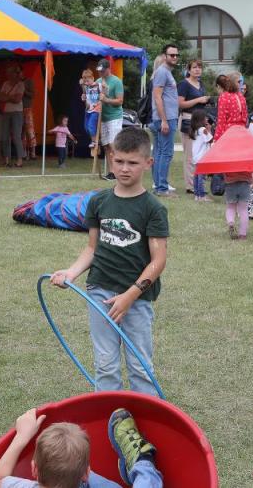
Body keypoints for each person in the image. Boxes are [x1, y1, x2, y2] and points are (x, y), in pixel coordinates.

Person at [51, 129, 169, 395]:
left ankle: (146, 421)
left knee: (140, 366)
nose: (125, 169)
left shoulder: (153, 208)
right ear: (111, 159)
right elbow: (92, 248)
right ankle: (111, 417)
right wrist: (71, 272)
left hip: (136, 299)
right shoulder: (99, 202)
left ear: (148, 164)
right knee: (105, 364)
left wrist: (129, 296)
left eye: (133, 163)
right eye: (119, 161)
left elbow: (158, 260)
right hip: (100, 292)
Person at [0, 408, 163, 488]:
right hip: (82, 481)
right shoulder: (85, 475)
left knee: (71, 470)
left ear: (34, 469)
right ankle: (143, 462)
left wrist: (21, 437)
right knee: (146, 480)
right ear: (87, 472)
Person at [150, 44, 180, 197]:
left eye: (176, 55)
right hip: (166, 118)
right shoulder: (162, 72)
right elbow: (157, 97)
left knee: (160, 152)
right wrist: (164, 120)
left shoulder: (166, 72)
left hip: (167, 117)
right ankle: (162, 188)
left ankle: (159, 185)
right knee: (166, 153)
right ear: (164, 56)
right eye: (171, 55)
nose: (174, 57)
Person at [177, 59, 210, 191]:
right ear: (189, 70)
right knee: (190, 155)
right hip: (188, 119)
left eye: (199, 67)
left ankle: (198, 184)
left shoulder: (201, 84)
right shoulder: (184, 84)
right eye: (195, 67)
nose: (197, 70)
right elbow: (180, 104)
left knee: (200, 153)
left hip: (200, 120)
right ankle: (190, 186)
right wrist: (199, 99)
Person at [97, 59, 124, 180]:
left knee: (114, 145)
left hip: (114, 117)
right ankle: (111, 172)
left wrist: (106, 100)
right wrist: (85, 97)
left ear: (108, 69)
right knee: (106, 146)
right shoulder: (98, 81)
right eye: (99, 71)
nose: (101, 73)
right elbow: (93, 99)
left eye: (103, 70)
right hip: (103, 118)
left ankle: (120, 171)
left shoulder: (116, 81)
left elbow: (120, 101)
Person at [0, 64, 26, 168]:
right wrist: (10, 97)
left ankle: (20, 160)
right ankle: (7, 159)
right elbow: (0, 97)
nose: (8, 75)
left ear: (15, 74)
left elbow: (17, 99)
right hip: (6, 112)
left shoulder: (21, 84)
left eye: (10, 73)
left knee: (16, 136)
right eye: (7, 73)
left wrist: (6, 97)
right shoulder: (5, 83)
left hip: (17, 112)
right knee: (5, 136)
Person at [185, 109, 213, 202]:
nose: (207, 118)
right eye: (205, 117)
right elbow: (209, 140)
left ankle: (197, 194)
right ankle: (201, 195)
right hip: (202, 156)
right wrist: (209, 130)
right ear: (201, 119)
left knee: (197, 175)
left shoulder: (194, 130)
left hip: (196, 156)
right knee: (201, 177)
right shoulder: (203, 129)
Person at [212, 74, 247, 142]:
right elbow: (245, 117)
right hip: (242, 131)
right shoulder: (241, 97)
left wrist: (216, 139)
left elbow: (221, 121)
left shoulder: (224, 97)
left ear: (218, 86)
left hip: (229, 133)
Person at [80, 68, 102, 147]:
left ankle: (94, 142)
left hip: (96, 110)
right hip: (88, 110)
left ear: (92, 78)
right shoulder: (86, 87)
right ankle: (96, 139)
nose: (86, 82)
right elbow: (85, 98)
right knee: (86, 128)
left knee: (90, 126)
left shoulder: (98, 85)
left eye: (88, 80)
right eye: (85, 81)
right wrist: (83, 96)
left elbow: (105, 90)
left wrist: (100, 101)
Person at [22, 72, 37, 160]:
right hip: (19, 110)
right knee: (22, 132)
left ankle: (33, 153)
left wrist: (24, 90)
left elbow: (33, 95)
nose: (18, 74)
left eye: (19, 72)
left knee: (30, 131)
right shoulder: (17, 82)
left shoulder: (29, 81)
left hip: (27, 109)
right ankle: (24, 153)